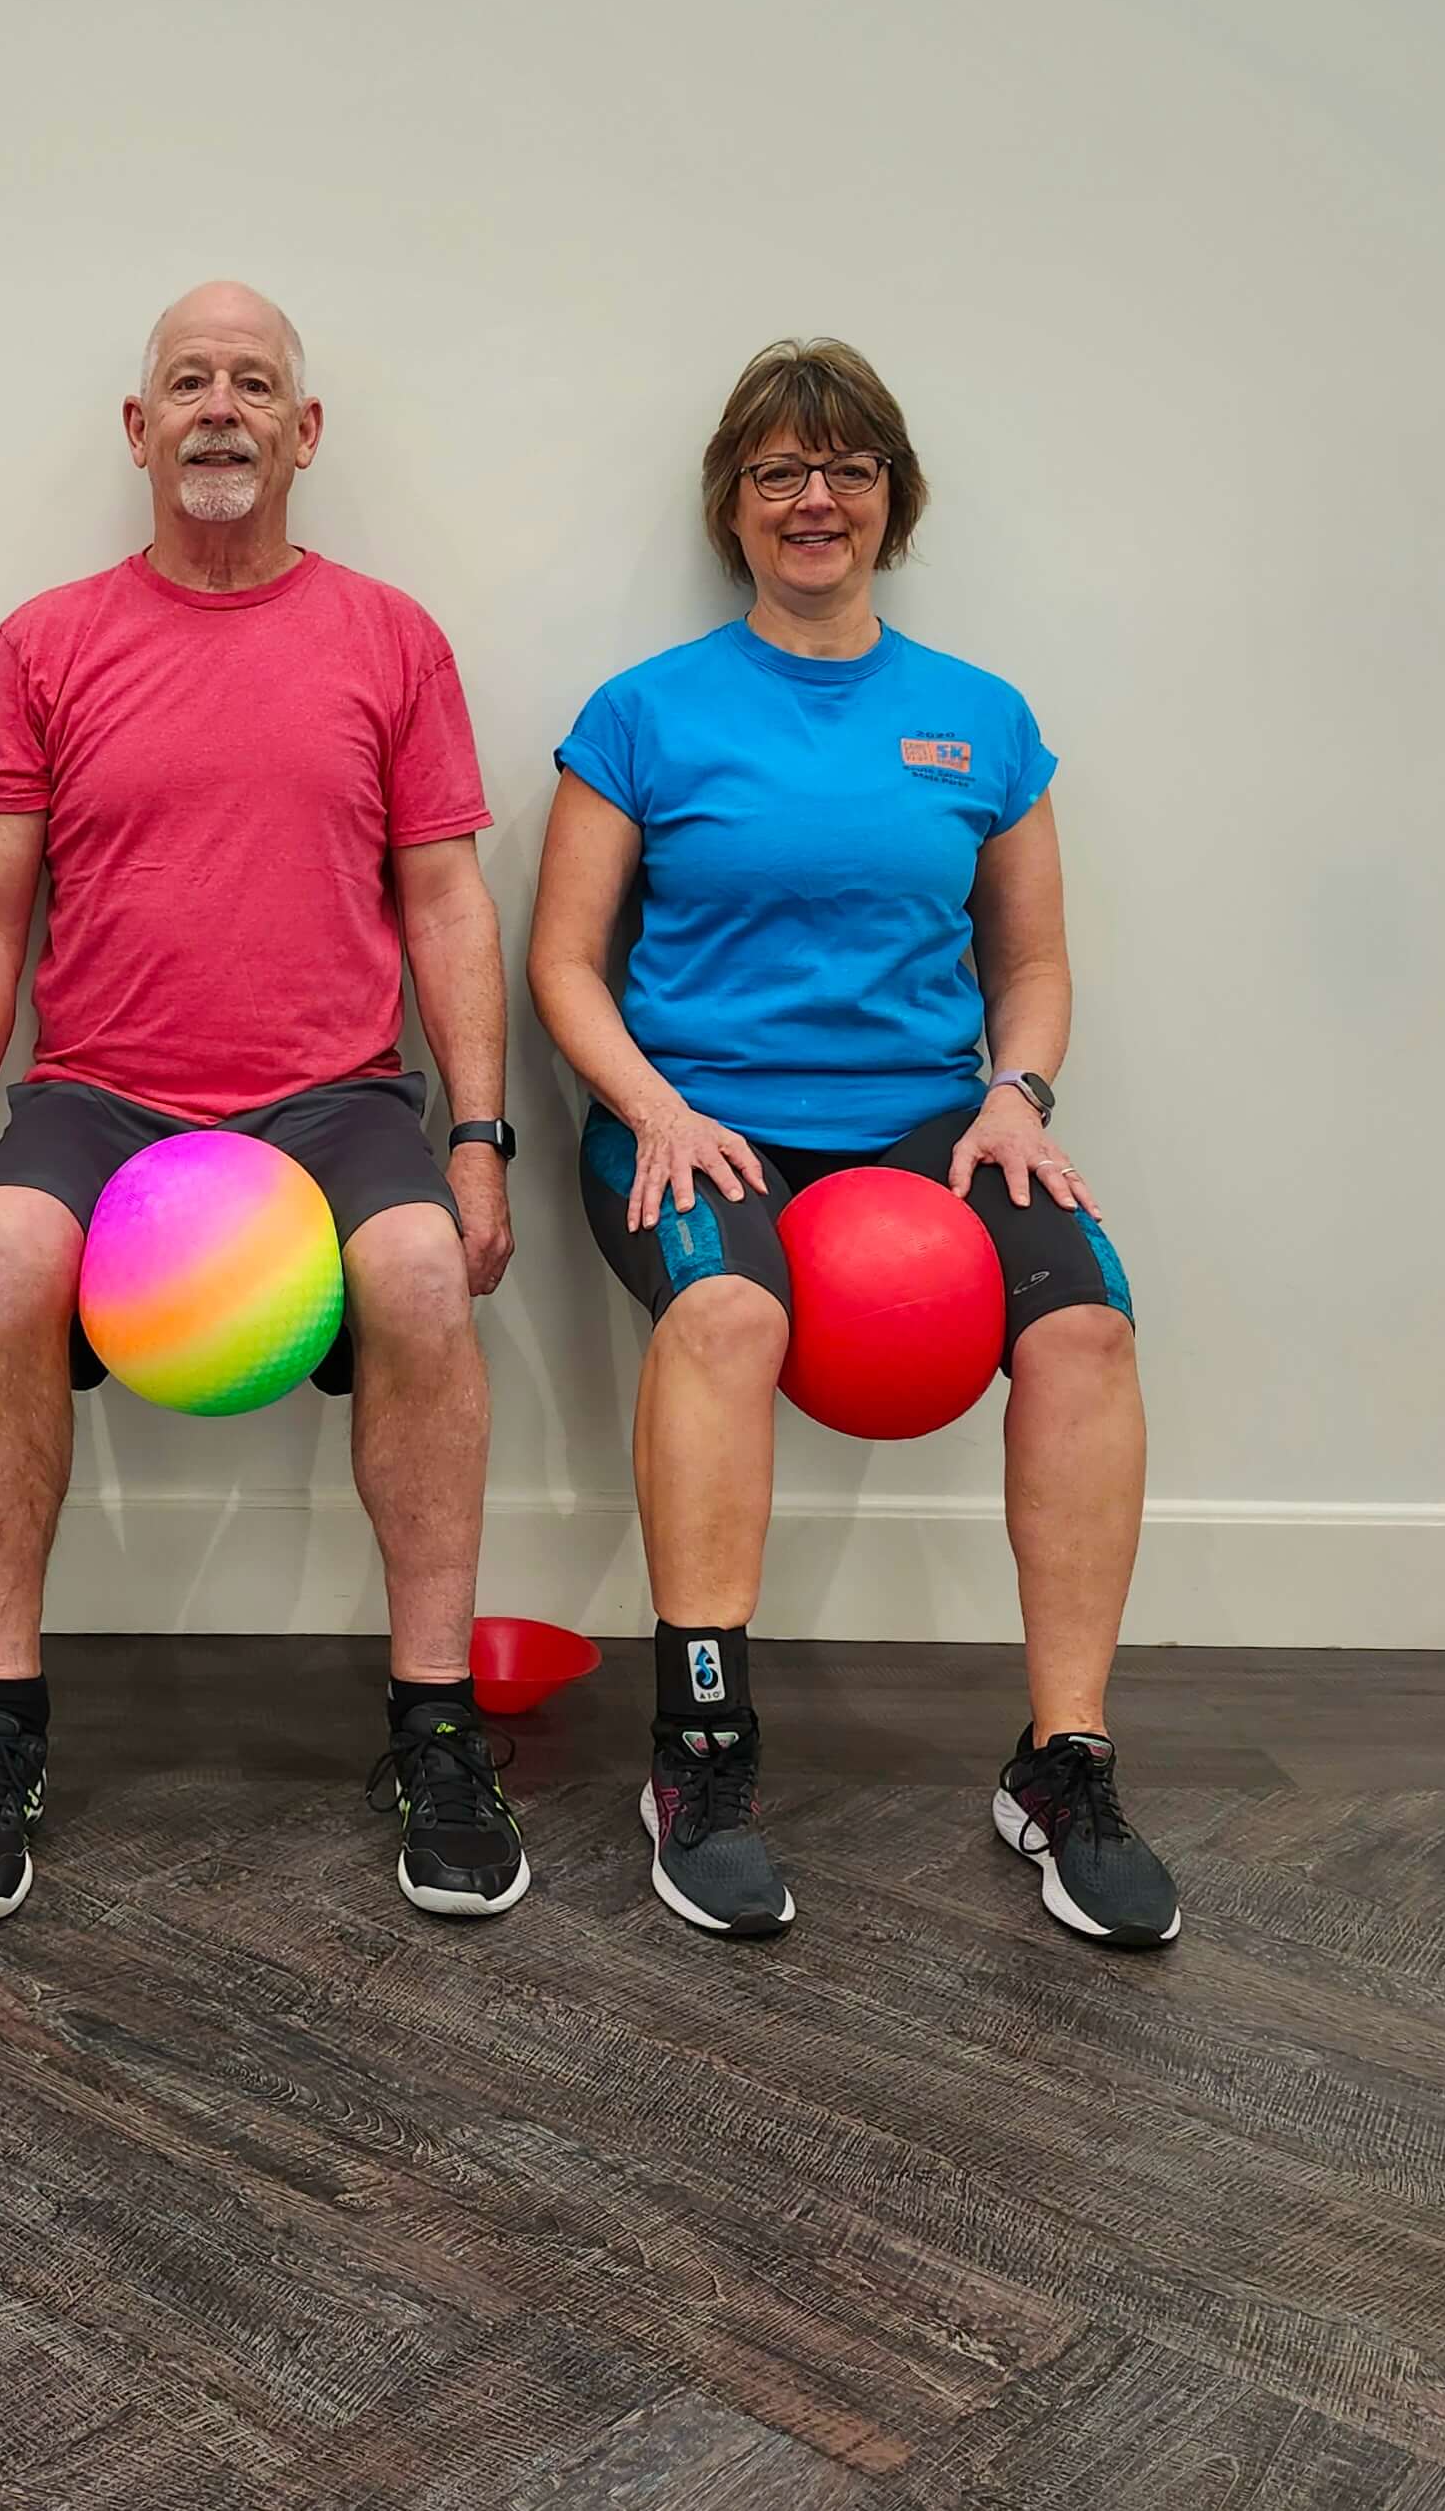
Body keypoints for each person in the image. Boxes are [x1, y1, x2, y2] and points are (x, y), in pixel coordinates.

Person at [527, 337, 1176, 1948]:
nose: (815, 498)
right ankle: (699, 1750)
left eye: (848, 469)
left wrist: (1018, 1093)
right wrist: (656, 1106)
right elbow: (558, 960)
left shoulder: (980, 717)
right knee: (728, 1311)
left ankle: (1066, 1761)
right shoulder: (645, 714)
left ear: (894, 499)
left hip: (932, 1125)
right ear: (732, 508)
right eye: (778, 472)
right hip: (696, 1119)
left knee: (1089, 1326)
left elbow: (1030, 962)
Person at [0, 281, 522, 1927]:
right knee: (14, 1267)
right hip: (100, 1096)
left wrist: (474, 1138)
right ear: (139, 426)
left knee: (411, 1280)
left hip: (338, 1099)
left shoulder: (392, 637)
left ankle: (436, 1723)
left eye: (257, 382)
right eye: (189, 380)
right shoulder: (46, 642)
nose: (222, 408)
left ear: (306, 432)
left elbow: (452, 907)